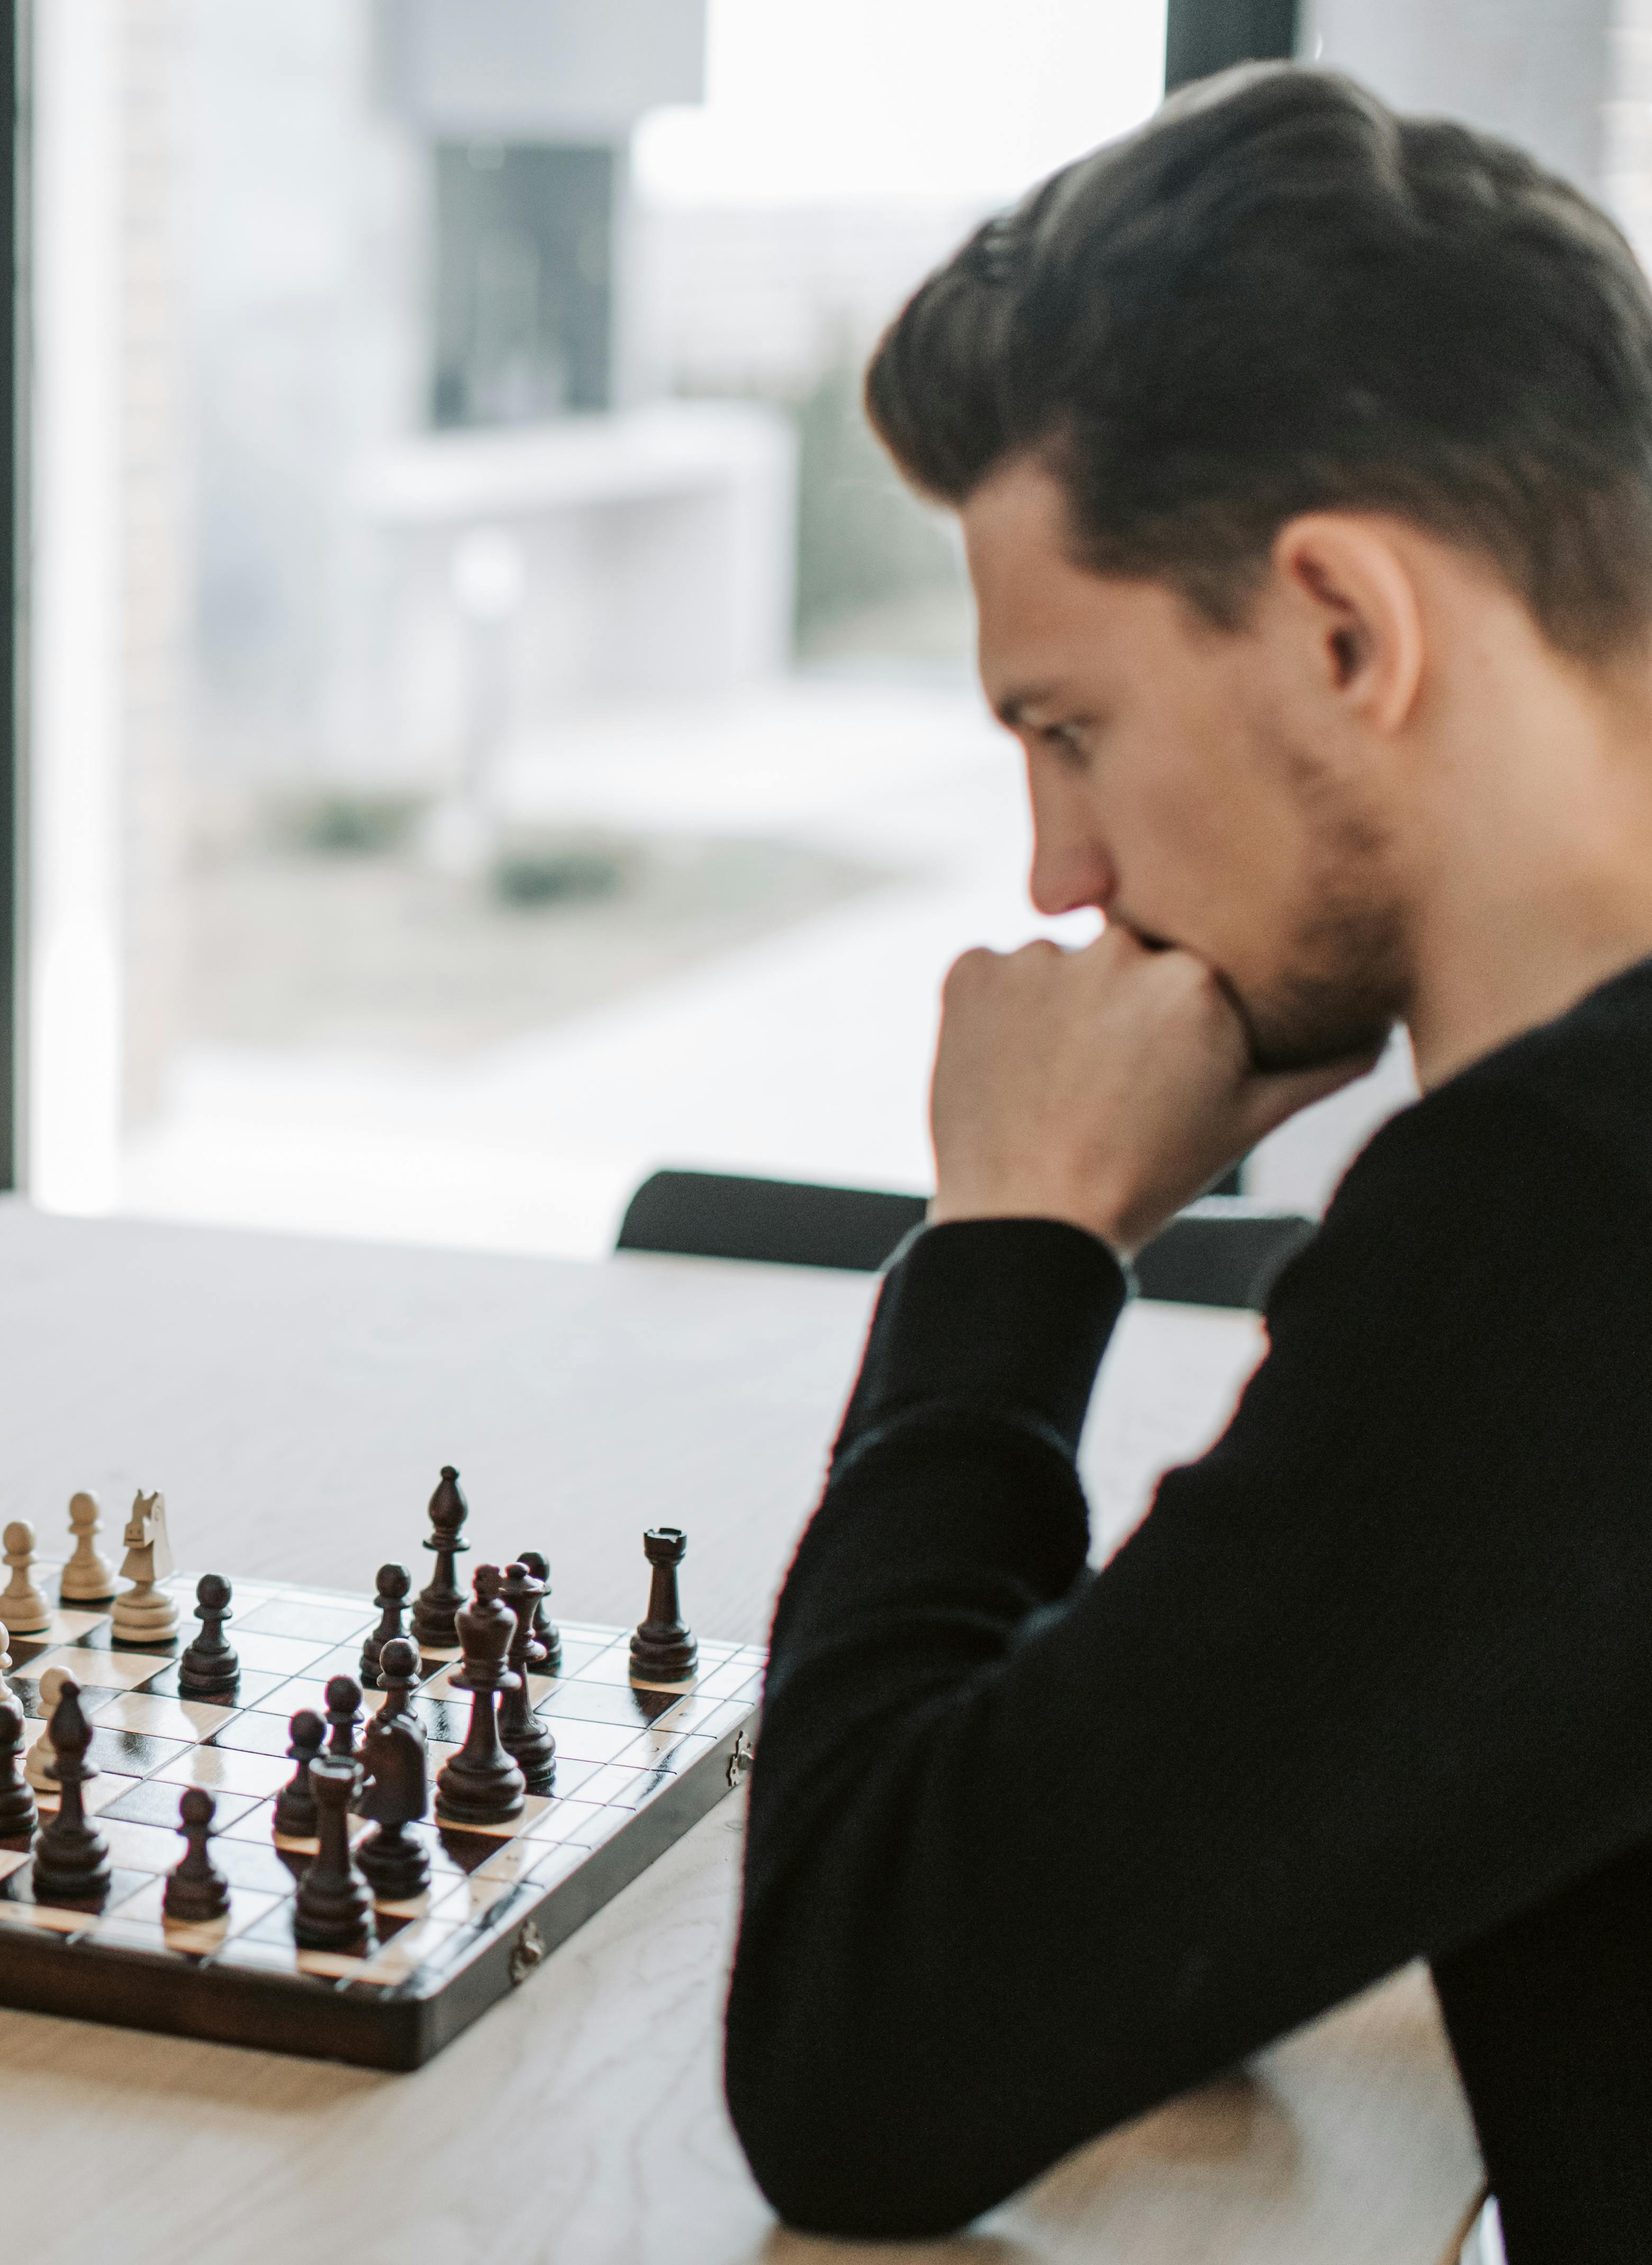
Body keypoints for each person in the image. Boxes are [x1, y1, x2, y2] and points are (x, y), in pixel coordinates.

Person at [721, 65, 1652, 2258]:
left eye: (1071, 728)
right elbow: (1168, 1845)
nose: (1057, 871)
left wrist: (1017, 1239)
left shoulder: (1580, 1210)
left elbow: (867, 2046)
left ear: (1345, 629)